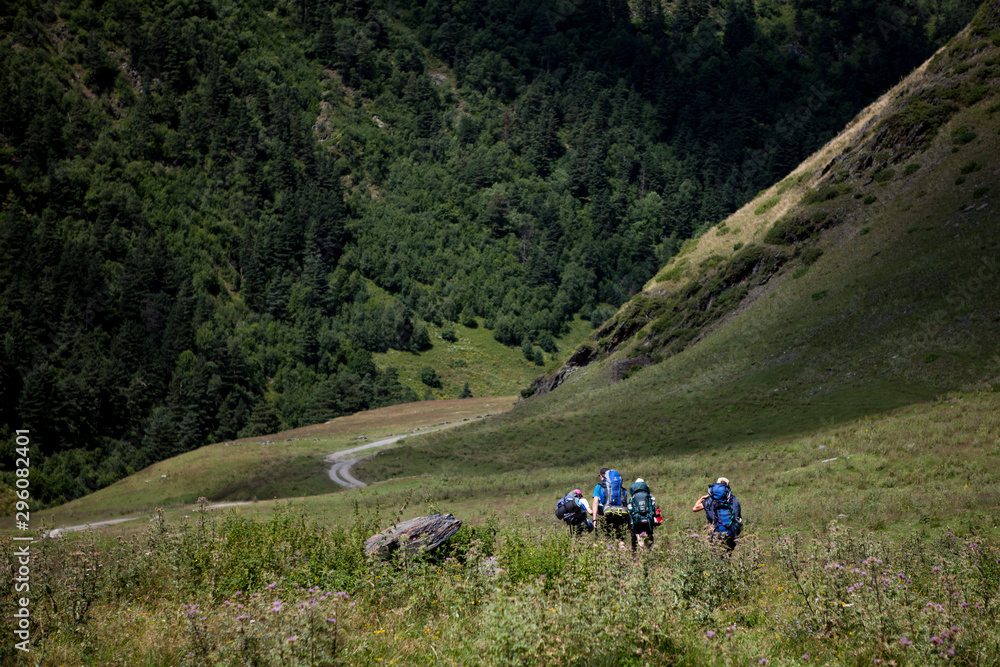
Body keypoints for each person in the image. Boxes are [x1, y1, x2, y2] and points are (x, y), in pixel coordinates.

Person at [693, 476, 742, 550]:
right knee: (728, 555)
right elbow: (739, 517)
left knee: (715, 555)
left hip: (714, 532)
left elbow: (695, 508)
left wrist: (702, 498)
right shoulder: (733, 499)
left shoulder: (711, 500)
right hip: (731, 532)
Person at [593, 468, 630, 543]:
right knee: (620, 539)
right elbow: (625, 503)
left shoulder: (599, 486)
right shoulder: (619, 487)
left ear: (601, 475)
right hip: (620, 514)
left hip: (606, 515)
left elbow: (595, 502)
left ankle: (609, 552)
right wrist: (629, 522)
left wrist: (594, 519)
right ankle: (623, 552)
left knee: (606, 538)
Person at [627, 478, 658, 550]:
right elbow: (653, 508)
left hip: (637, 520)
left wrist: (630, 524)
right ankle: (647, 555)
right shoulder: (649, 496)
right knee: (647, 539)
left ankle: (639, 554)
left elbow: (630, 509)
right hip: (648, 519)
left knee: (638, 538)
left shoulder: (633, 497)